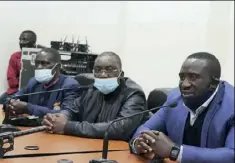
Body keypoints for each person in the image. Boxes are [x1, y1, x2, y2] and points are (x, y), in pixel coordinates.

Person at [130, 52, 234, 163]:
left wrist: (175, 151)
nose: (184, 84)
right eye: (182, 77)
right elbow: (146, 128)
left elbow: (232, 155)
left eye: (193, 77)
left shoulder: (231, 105)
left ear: (213, 83)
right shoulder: (175, 98)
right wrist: (139, 143)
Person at [42, 51, 147, 141]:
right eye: (97, 70)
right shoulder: (93, 89)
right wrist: (58, 118)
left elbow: (118, 129)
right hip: (90, 144)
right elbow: (73, 109)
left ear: (121, 74)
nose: (103, 74)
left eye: (109, 70)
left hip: (118, 150)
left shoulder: (134, 94)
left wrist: (67, 126)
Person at [7, 48, 79, 118]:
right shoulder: (34, 82)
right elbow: (13, 97)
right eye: (37, 63)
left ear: (57, 66)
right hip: (31, 126)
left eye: (44, 63)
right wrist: (12, 104)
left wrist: (28, 108)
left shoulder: (70, 85)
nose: (39, 67)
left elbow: (66, 115)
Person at [0, 30, 37, 104]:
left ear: (33, 42)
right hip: (17, 91)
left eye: (25, 40)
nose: (21, 42)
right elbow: (11, 80)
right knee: (3, 99)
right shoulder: (15, 56)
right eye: (20, 39)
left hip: (36, 92)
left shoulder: (42, 56)